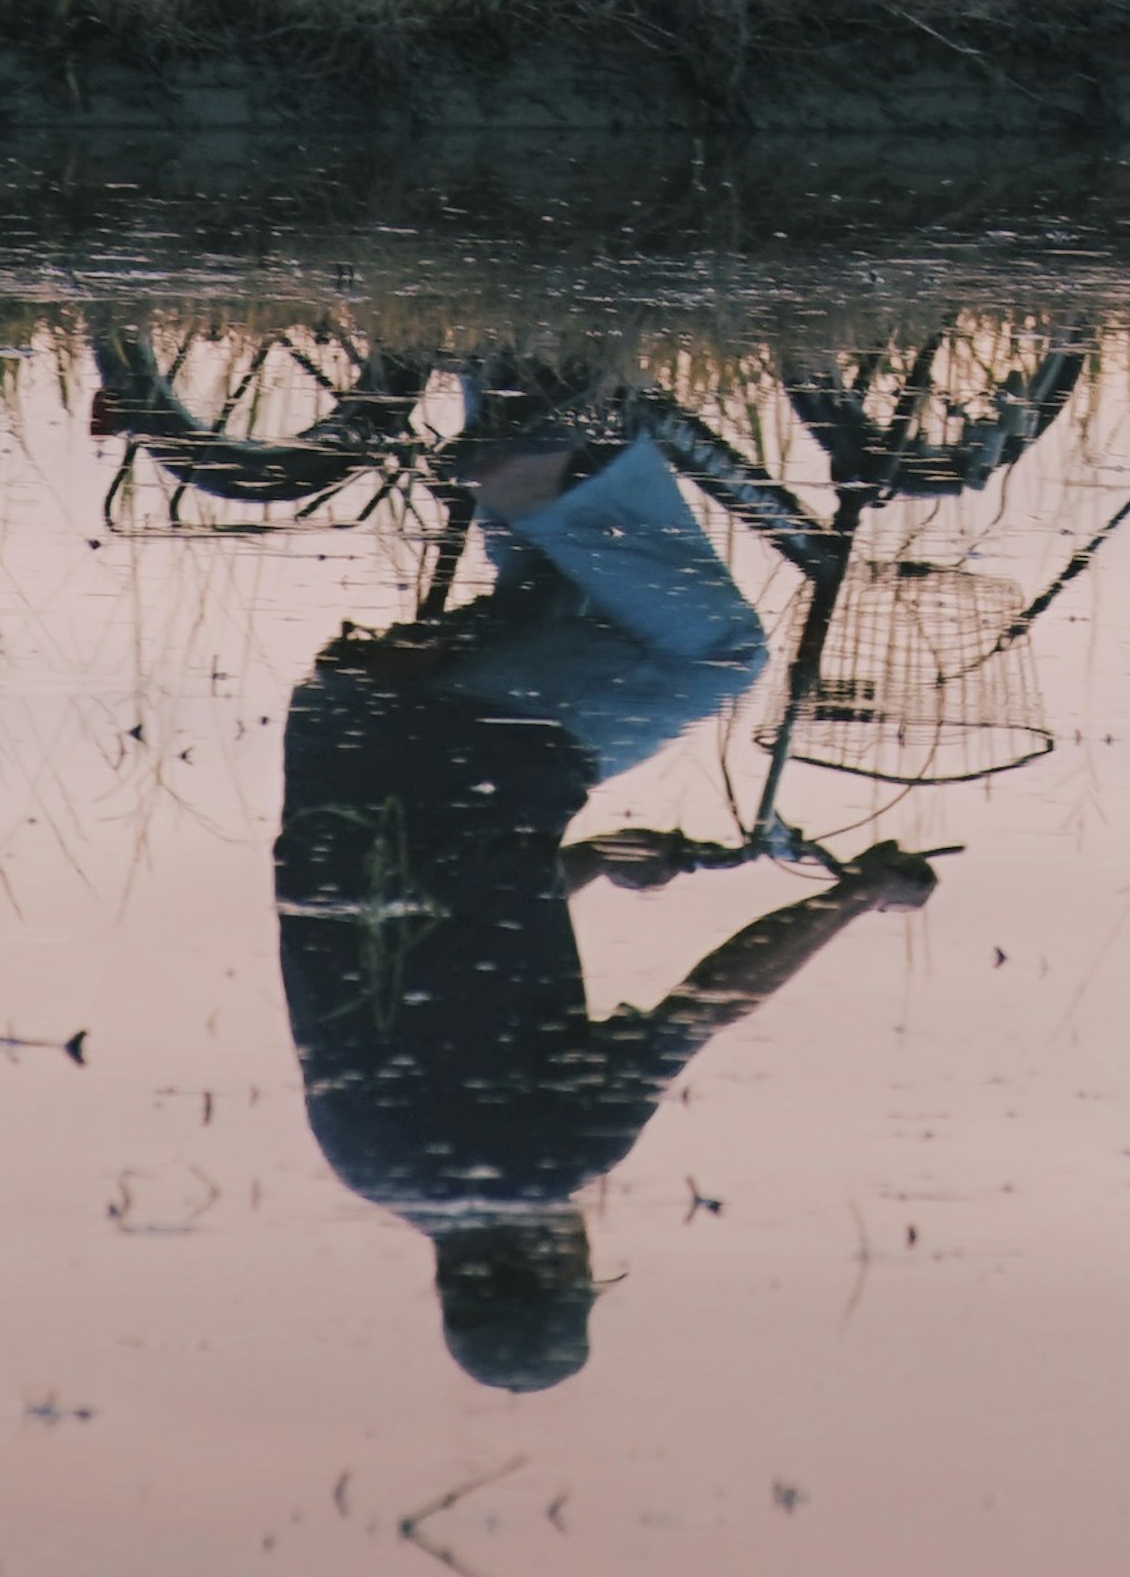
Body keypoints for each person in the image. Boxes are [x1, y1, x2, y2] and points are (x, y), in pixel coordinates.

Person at [273, 396, 935, 1394]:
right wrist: (582, 867)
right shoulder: (367, 1162)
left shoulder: (548, 1160)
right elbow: (417, 943)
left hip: (467, 742)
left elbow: (707, 1000)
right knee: (585, 591)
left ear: (556, 1269)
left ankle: (532, 471)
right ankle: (517, 395)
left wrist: (856, 897)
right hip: (348, 735)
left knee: (713, 652)